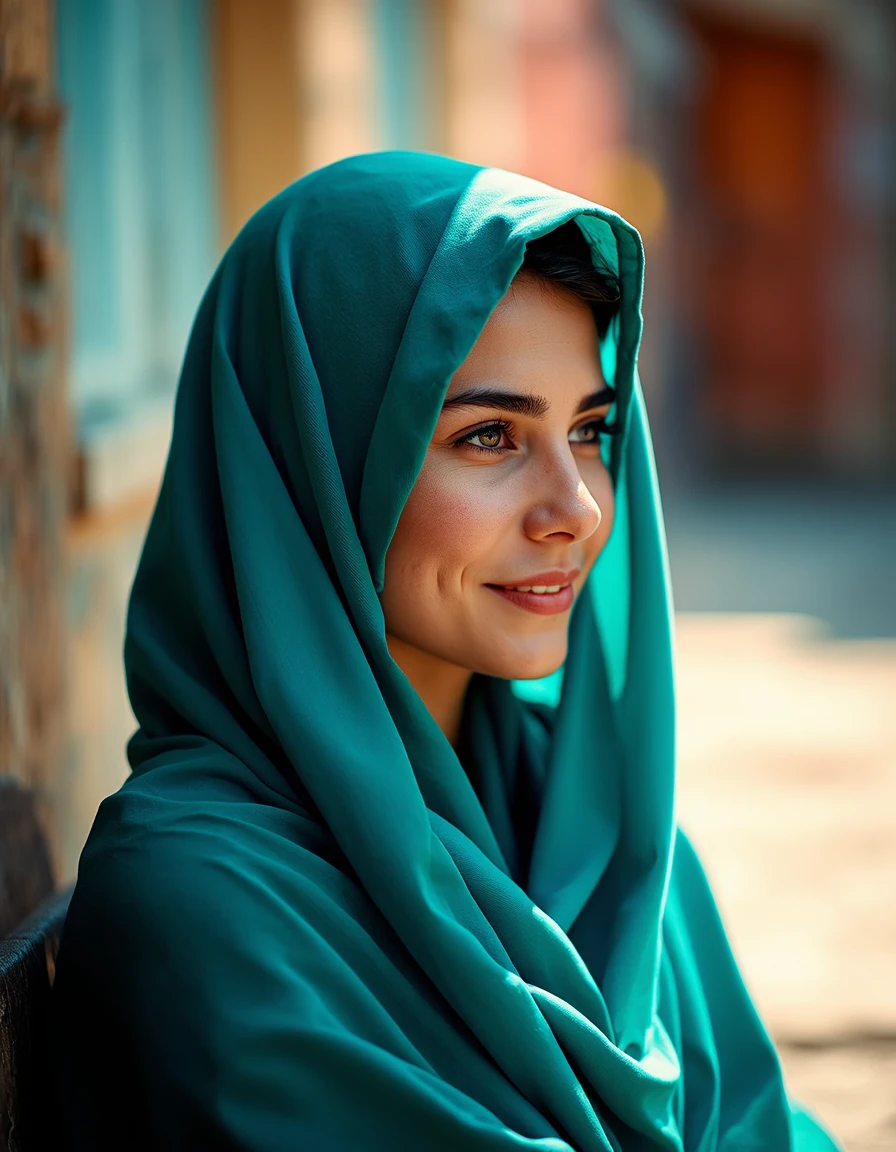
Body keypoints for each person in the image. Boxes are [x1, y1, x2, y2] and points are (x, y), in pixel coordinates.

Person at [52, 151, 839, 1150]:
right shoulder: (206, 905)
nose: (578, 508)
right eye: (487, 439)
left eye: (591, 430)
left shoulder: (607, 837)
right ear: (314, 465)